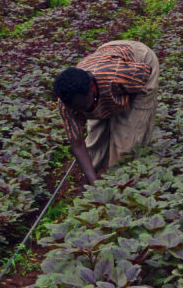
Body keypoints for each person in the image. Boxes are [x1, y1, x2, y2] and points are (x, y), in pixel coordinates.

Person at [53, 40, 159, 184]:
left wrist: (122, 116)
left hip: (140, 63)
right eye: (76, 109)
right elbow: (77, 143)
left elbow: (143, 76)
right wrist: (93, 182)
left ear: (91, 89)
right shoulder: (67, 102)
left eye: (83, 106)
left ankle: (119, 180)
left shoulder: (116, 76)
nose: (81, 112)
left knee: (127, 144)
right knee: (94, 146)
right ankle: (98, 174)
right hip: (106, 54)